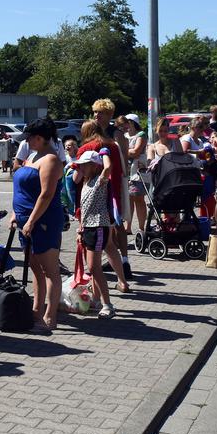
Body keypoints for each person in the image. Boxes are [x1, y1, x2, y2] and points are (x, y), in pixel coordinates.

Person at [11, 118, 64, 332]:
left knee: (50, 269)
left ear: (40, 138)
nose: (27, 142)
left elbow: (47, 193)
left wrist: (32, 220)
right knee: (35, 268)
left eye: (30, 138)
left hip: (42, 222)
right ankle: (36, 310)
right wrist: (17, 213)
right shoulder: (33, 155)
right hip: (26, 222)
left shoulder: (50, 159)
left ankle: (50, 317)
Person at [77, 121, 131, 291]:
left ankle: (98, 290)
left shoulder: (87, 148)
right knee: (110, 246)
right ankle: (122, 281)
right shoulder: (112, 145)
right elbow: (121, 168)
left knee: (93, 254)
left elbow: (75, 179)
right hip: (112, 197)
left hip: (92, 204)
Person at [72, 149, 117, 319]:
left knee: (94, 268)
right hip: (88, 228)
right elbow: (83, 208)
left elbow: (108, 169)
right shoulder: (86, 182)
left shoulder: (100, 181)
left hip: (98, 226)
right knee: (92, 268)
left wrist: (105, 153)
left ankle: (108, 305)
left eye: (84, 165)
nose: (81, 168)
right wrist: (80, 228)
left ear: (93, 165)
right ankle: (97, 300)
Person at [92, 99, 131, 277]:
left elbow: (124, 163)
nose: (96, 115)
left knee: (117, 222)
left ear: (109, 115)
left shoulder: (117, 134)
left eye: (100, 112)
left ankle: (125, 261)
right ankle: (107, 260)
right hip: (96, 182)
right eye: (95, 112)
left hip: (113, 183)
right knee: (102, 225)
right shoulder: (93, 131)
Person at [125, 114, 148, 234]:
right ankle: (127, 227)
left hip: (138, 173)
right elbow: (131, 152)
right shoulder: (124, 135)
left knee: (139, 199)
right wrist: (130, 152)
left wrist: (124, 151)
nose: (125, 124)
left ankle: (141, 228)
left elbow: (136, 151)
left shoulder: (141, 135)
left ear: (133, 122)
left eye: (127, 122)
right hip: (126, 172)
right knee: (128, 200)